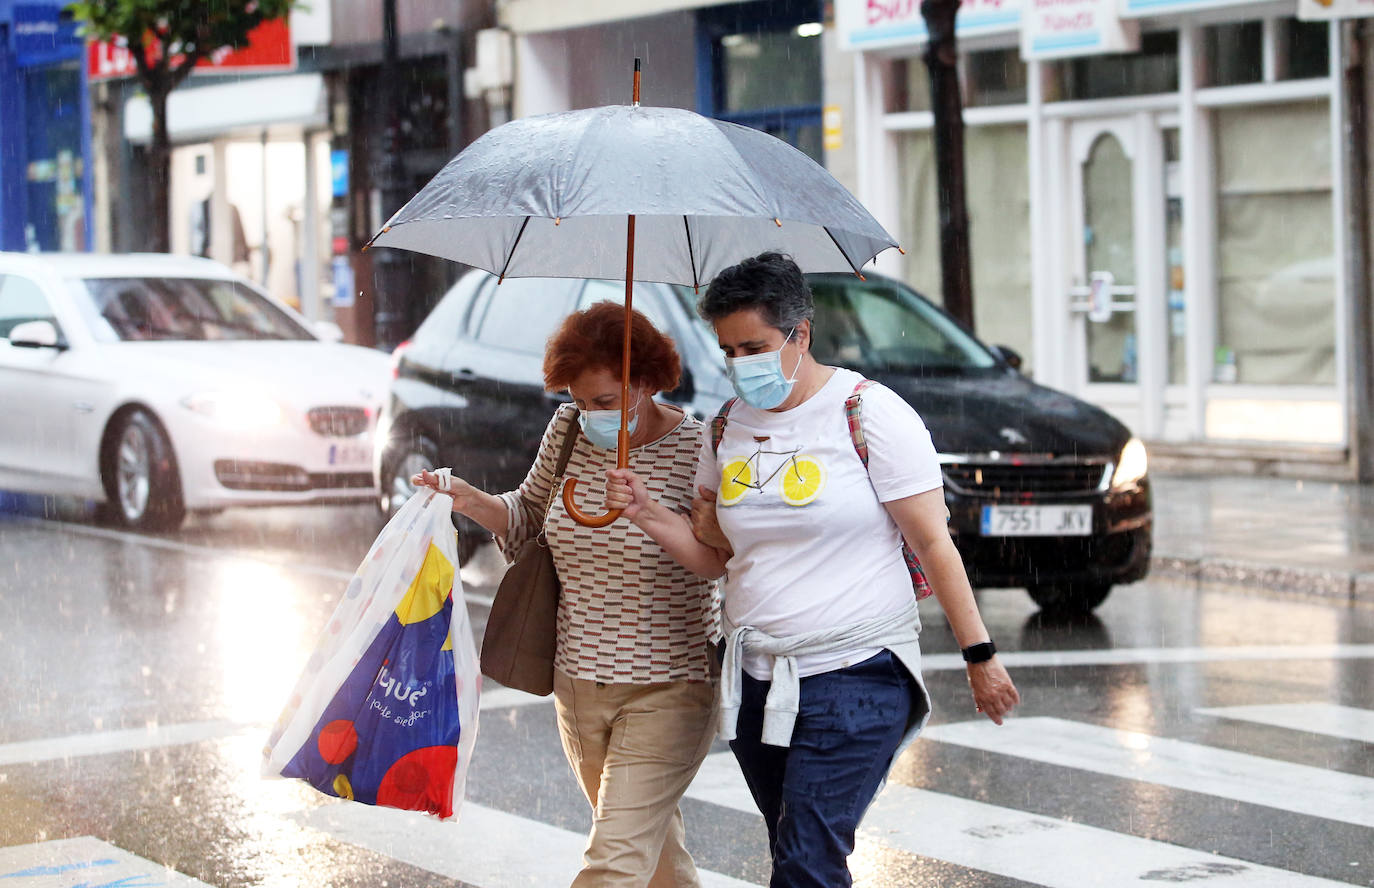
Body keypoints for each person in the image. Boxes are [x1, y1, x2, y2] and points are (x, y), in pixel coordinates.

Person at [605, 252, 1020, 888]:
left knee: (804, 860)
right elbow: (714, 558)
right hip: (754, 682)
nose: (742, 364)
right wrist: (645, 512)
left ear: (801, 333)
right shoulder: (726, 429)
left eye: (756, 346)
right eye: (728, 350)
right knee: (799, 851)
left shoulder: (868, 413)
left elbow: (936, 544)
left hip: (857, 675)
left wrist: (980, 655)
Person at [411, 301, 719, 888]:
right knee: (650, 853)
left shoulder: (699, 449)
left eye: (606, 401)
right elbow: (527, 516)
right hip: (577, 685)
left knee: (612, 862)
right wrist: (472, 501)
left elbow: (719, 561)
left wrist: (650, 512)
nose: (591, 414)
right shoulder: (569, 430)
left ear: (647, 381)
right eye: (580, 400)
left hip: (671, 685)